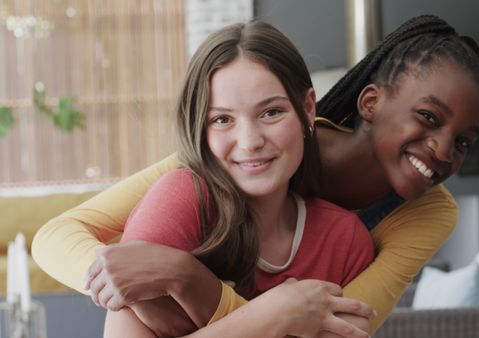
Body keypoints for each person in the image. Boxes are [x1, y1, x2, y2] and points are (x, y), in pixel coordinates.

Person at [33, 14, 479, 337]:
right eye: (428, 117)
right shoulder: (207, 177)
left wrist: (192, 285)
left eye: (464, 141)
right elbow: (57, 236)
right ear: (369, 103)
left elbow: (341, 328)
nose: (444, 150)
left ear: (305, 108)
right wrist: (136, 275)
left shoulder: (389, 225)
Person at [100, 21, 375, 337]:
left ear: (307, 109)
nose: (250, 141)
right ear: (200, 130)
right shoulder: (179, 200)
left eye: (270, 112)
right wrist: (275, 314)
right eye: (222, 119)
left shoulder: (345, 240)